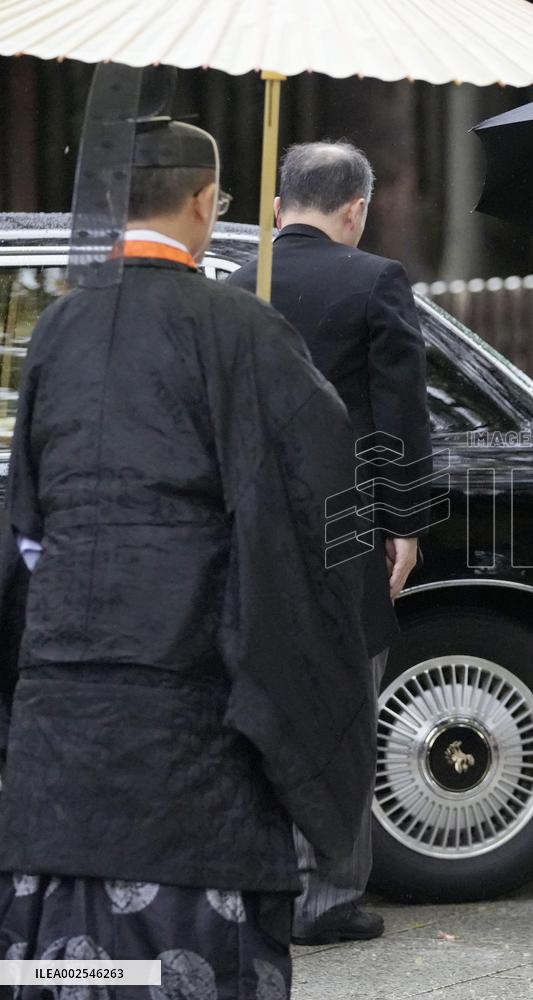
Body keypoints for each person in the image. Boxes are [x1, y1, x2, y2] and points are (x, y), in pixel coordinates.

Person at [0, 118, 370, 999]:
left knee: (58, 939)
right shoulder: (243, 329)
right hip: (192, 701)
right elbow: (313, 500)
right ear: (206, 203)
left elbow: (26, 522)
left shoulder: (60, 328)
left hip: (65, 708)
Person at [229, 140, 432, 946]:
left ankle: (265, 883)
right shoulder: (374, 280)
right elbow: (400, 415)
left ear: (279, 211)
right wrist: (406, 524)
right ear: (357, 210)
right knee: (348, 702)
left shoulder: (239, 286)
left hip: (253, 530)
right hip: (346, 526)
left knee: (265, 697)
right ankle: (329, 896)